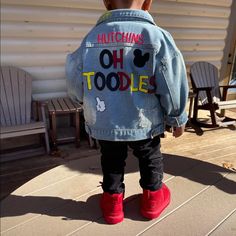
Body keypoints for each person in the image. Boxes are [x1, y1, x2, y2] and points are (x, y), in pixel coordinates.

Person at [66, 0, 189, 224]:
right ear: (148, 3)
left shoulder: (92, 37)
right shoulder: (157, 36)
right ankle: (152, 199)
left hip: (107, 119)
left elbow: (75, 76)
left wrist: (81, 98)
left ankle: (112, 202)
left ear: (106, 2)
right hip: (144, 120)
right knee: (150, 155)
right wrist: (177, 116)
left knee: (111, 158)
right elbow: (172, 82)